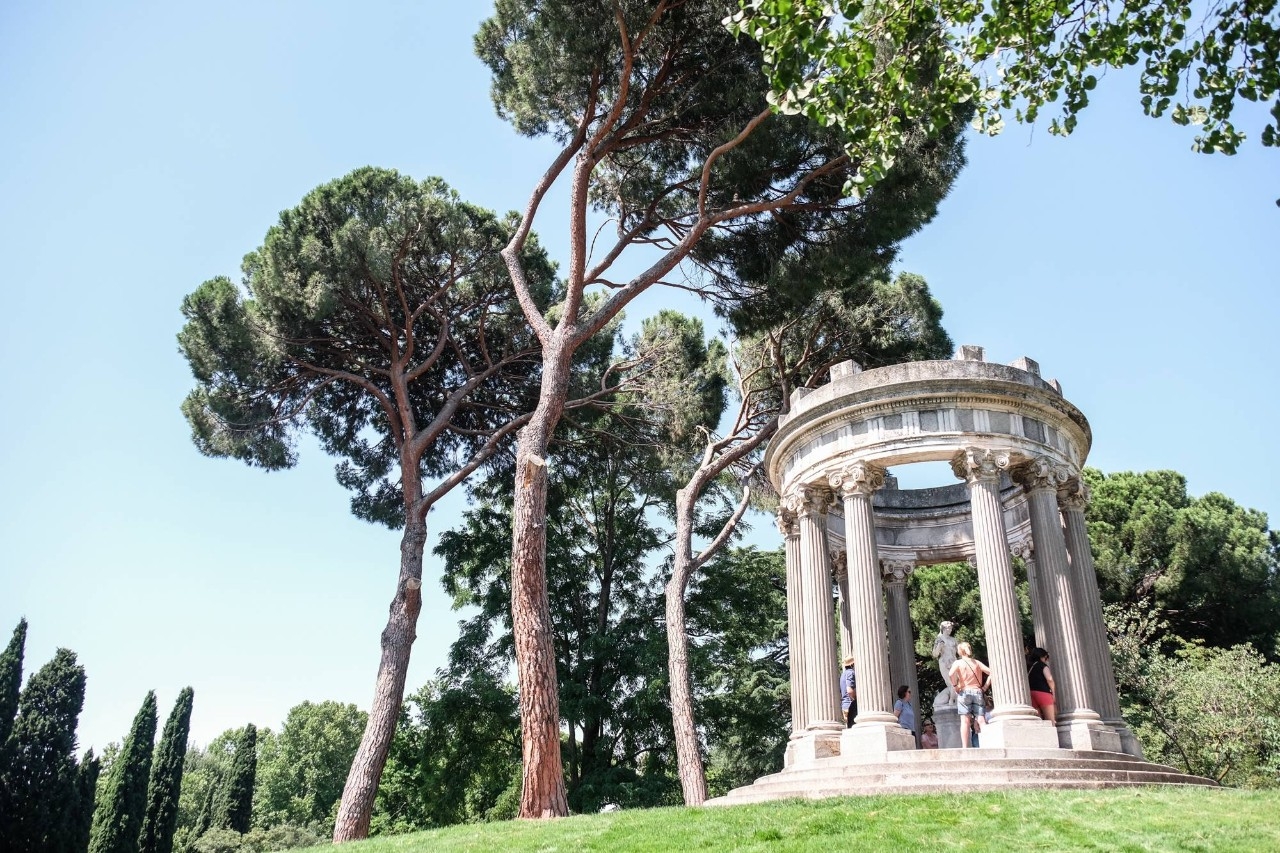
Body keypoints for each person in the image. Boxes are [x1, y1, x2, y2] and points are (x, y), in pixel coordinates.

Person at [948, 641, 991, 749]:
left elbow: (950, 674)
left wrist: (955, 686)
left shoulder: (958, 663)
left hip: (964, 691)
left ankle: (965, 747)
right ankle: (988, 744)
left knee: (965, 720)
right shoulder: (976, 662)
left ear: (959, 652)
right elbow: (991, 672)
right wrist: (985, 686)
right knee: (981, 719)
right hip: (977, 691)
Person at [1027, 647, 1057, 722]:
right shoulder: (1043, 665)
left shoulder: (1030, 667)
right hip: (1043, 693)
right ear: (1043, 656)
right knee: (1050, 721)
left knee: (1039, 721)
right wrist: (1053, 693)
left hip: (1032, 694)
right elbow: (1049, 679)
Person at [931, 621, 958, 703]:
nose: (950, 630)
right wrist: (939, 646)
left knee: (956, 682)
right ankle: (952, 700)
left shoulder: (953, 639)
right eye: (948, 628)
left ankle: (954, 700)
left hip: (954, 662)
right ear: (943, 629)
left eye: (951, 628)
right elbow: (935, 654)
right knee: (951, 682)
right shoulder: (939, 639)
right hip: (944, 662)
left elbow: (959, 651)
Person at [840, 655, 857, 727]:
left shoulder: (843, 674)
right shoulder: (851, 673)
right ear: (852, 664)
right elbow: (850, 690)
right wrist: (855, 698)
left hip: (844, 705)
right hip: (851, 704)